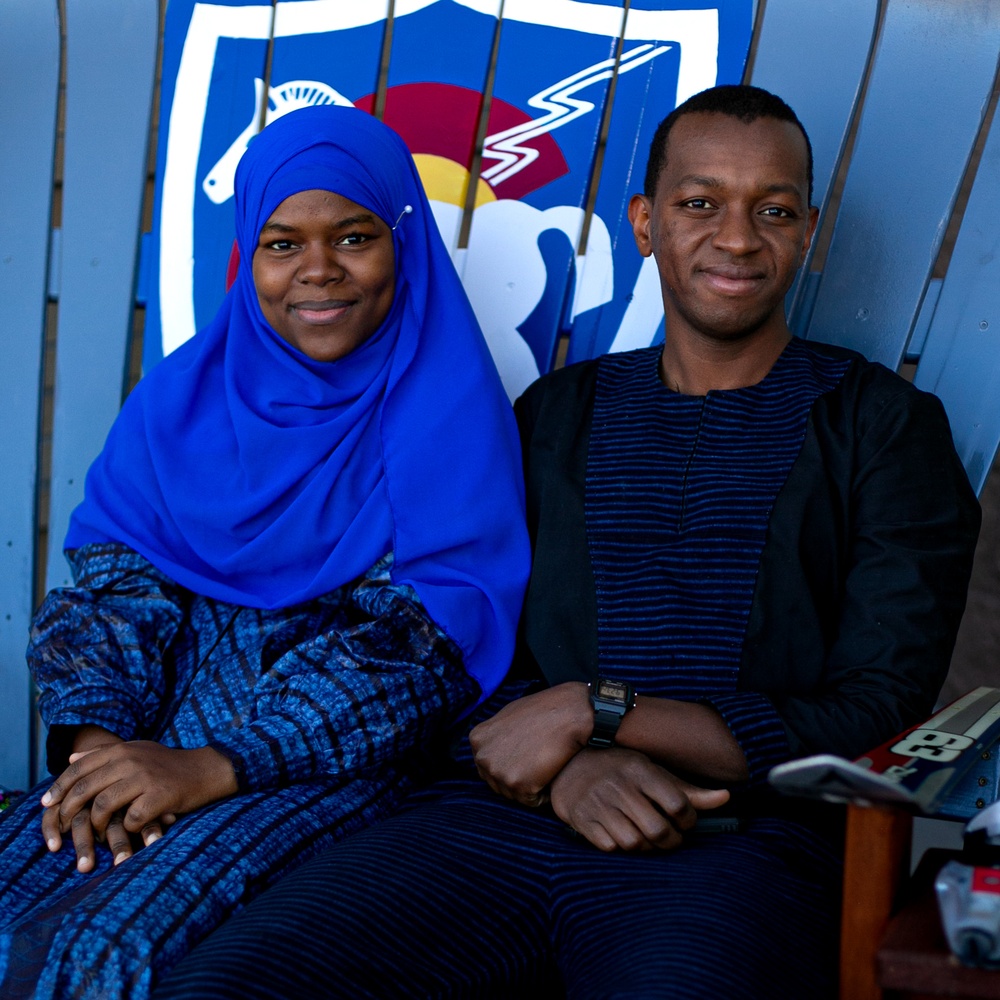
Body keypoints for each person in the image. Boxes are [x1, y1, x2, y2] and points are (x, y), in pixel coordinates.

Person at [154, 85, 981, 999]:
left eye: (773, 210)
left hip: (739, 845)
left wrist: (602, 708)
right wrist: (573, 767)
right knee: (231, 986)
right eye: (699, 203)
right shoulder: (556, 416)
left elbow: (881, 709)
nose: (738, 239)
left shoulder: (883, 429)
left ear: (809, 231)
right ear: (644, 222)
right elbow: (456, 641)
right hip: (492, 821)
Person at [0, 104, 529, 1000]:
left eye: (354, 236)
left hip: (319, 770)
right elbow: (113, 589)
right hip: (140, 741)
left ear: (404, 243)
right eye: (282, 244)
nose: (318, 271)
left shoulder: (447, 415)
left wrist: (210, 768)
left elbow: (421, 653)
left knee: (100, 953)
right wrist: (101, 759)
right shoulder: (186, 399)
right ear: (249, 255)